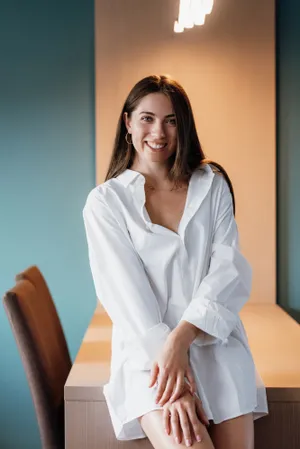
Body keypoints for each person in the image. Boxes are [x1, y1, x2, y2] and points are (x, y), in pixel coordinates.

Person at [83, 74, 268, 449]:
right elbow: (127, 297)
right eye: (147, 118)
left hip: (214, 343)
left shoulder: (211, 184)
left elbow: (227, 270)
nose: (159, 132)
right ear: (128, 124)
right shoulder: (105, 203)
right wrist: (171, 369)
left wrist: (182, 339)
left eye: (171, 120)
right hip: (149, 358)